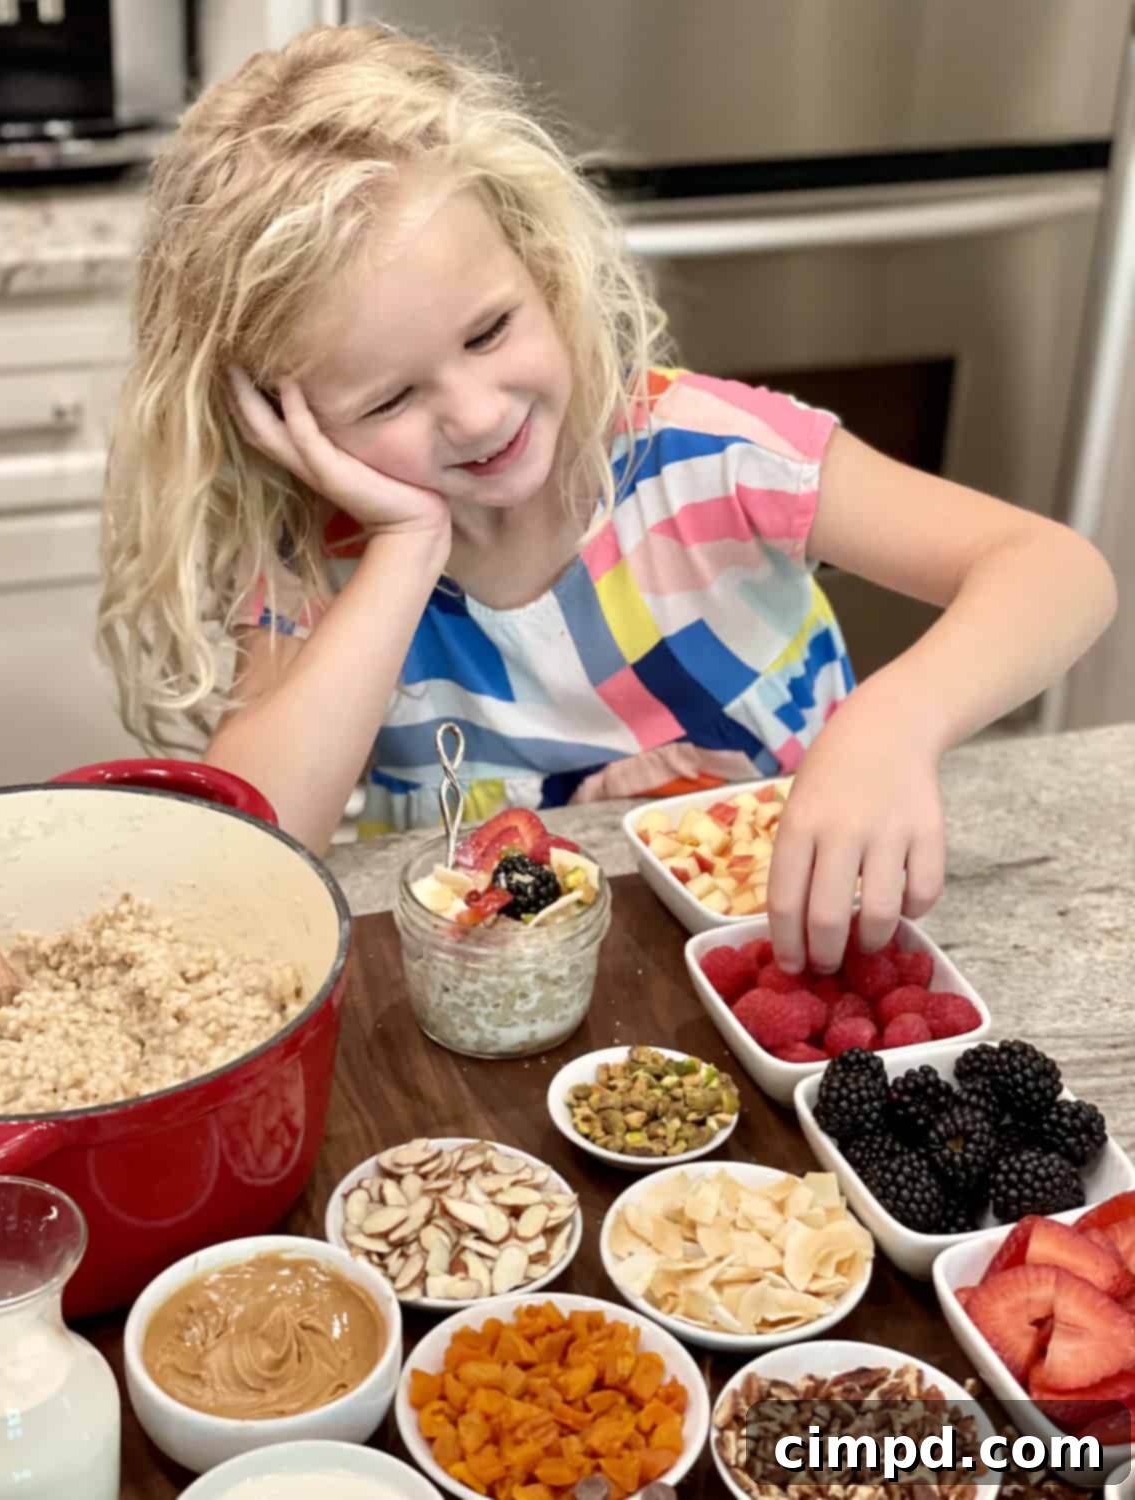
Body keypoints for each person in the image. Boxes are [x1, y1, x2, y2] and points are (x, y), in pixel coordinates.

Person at [99, 24, 1117, 977]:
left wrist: (890, 724)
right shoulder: (316, 560)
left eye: (490, 331)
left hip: (793, 946)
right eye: (393, 396)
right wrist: (406, 546)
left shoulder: (704, 454)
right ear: (283, 419)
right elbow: (246, 862)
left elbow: (1057, 573)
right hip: (513, 999)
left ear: (541, 270)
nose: (474, 411)